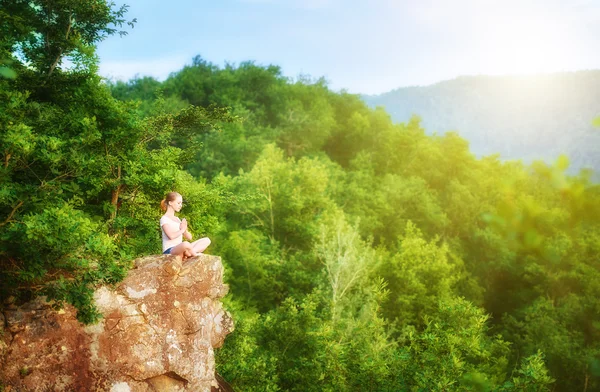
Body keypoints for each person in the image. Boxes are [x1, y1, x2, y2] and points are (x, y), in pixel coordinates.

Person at [160, 192, 211, 259]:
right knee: (186, 244)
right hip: (170, 250)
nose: (180, 205)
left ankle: (189, 253)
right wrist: (182, 230)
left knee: (206, 240)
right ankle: (195, 255)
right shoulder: (164, 219)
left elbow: (189, 237)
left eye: (181, 203)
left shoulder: (177, 219)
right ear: (170, 203)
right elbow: (171, 236)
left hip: (182, 249)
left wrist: (185, 230)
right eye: (178, 203)